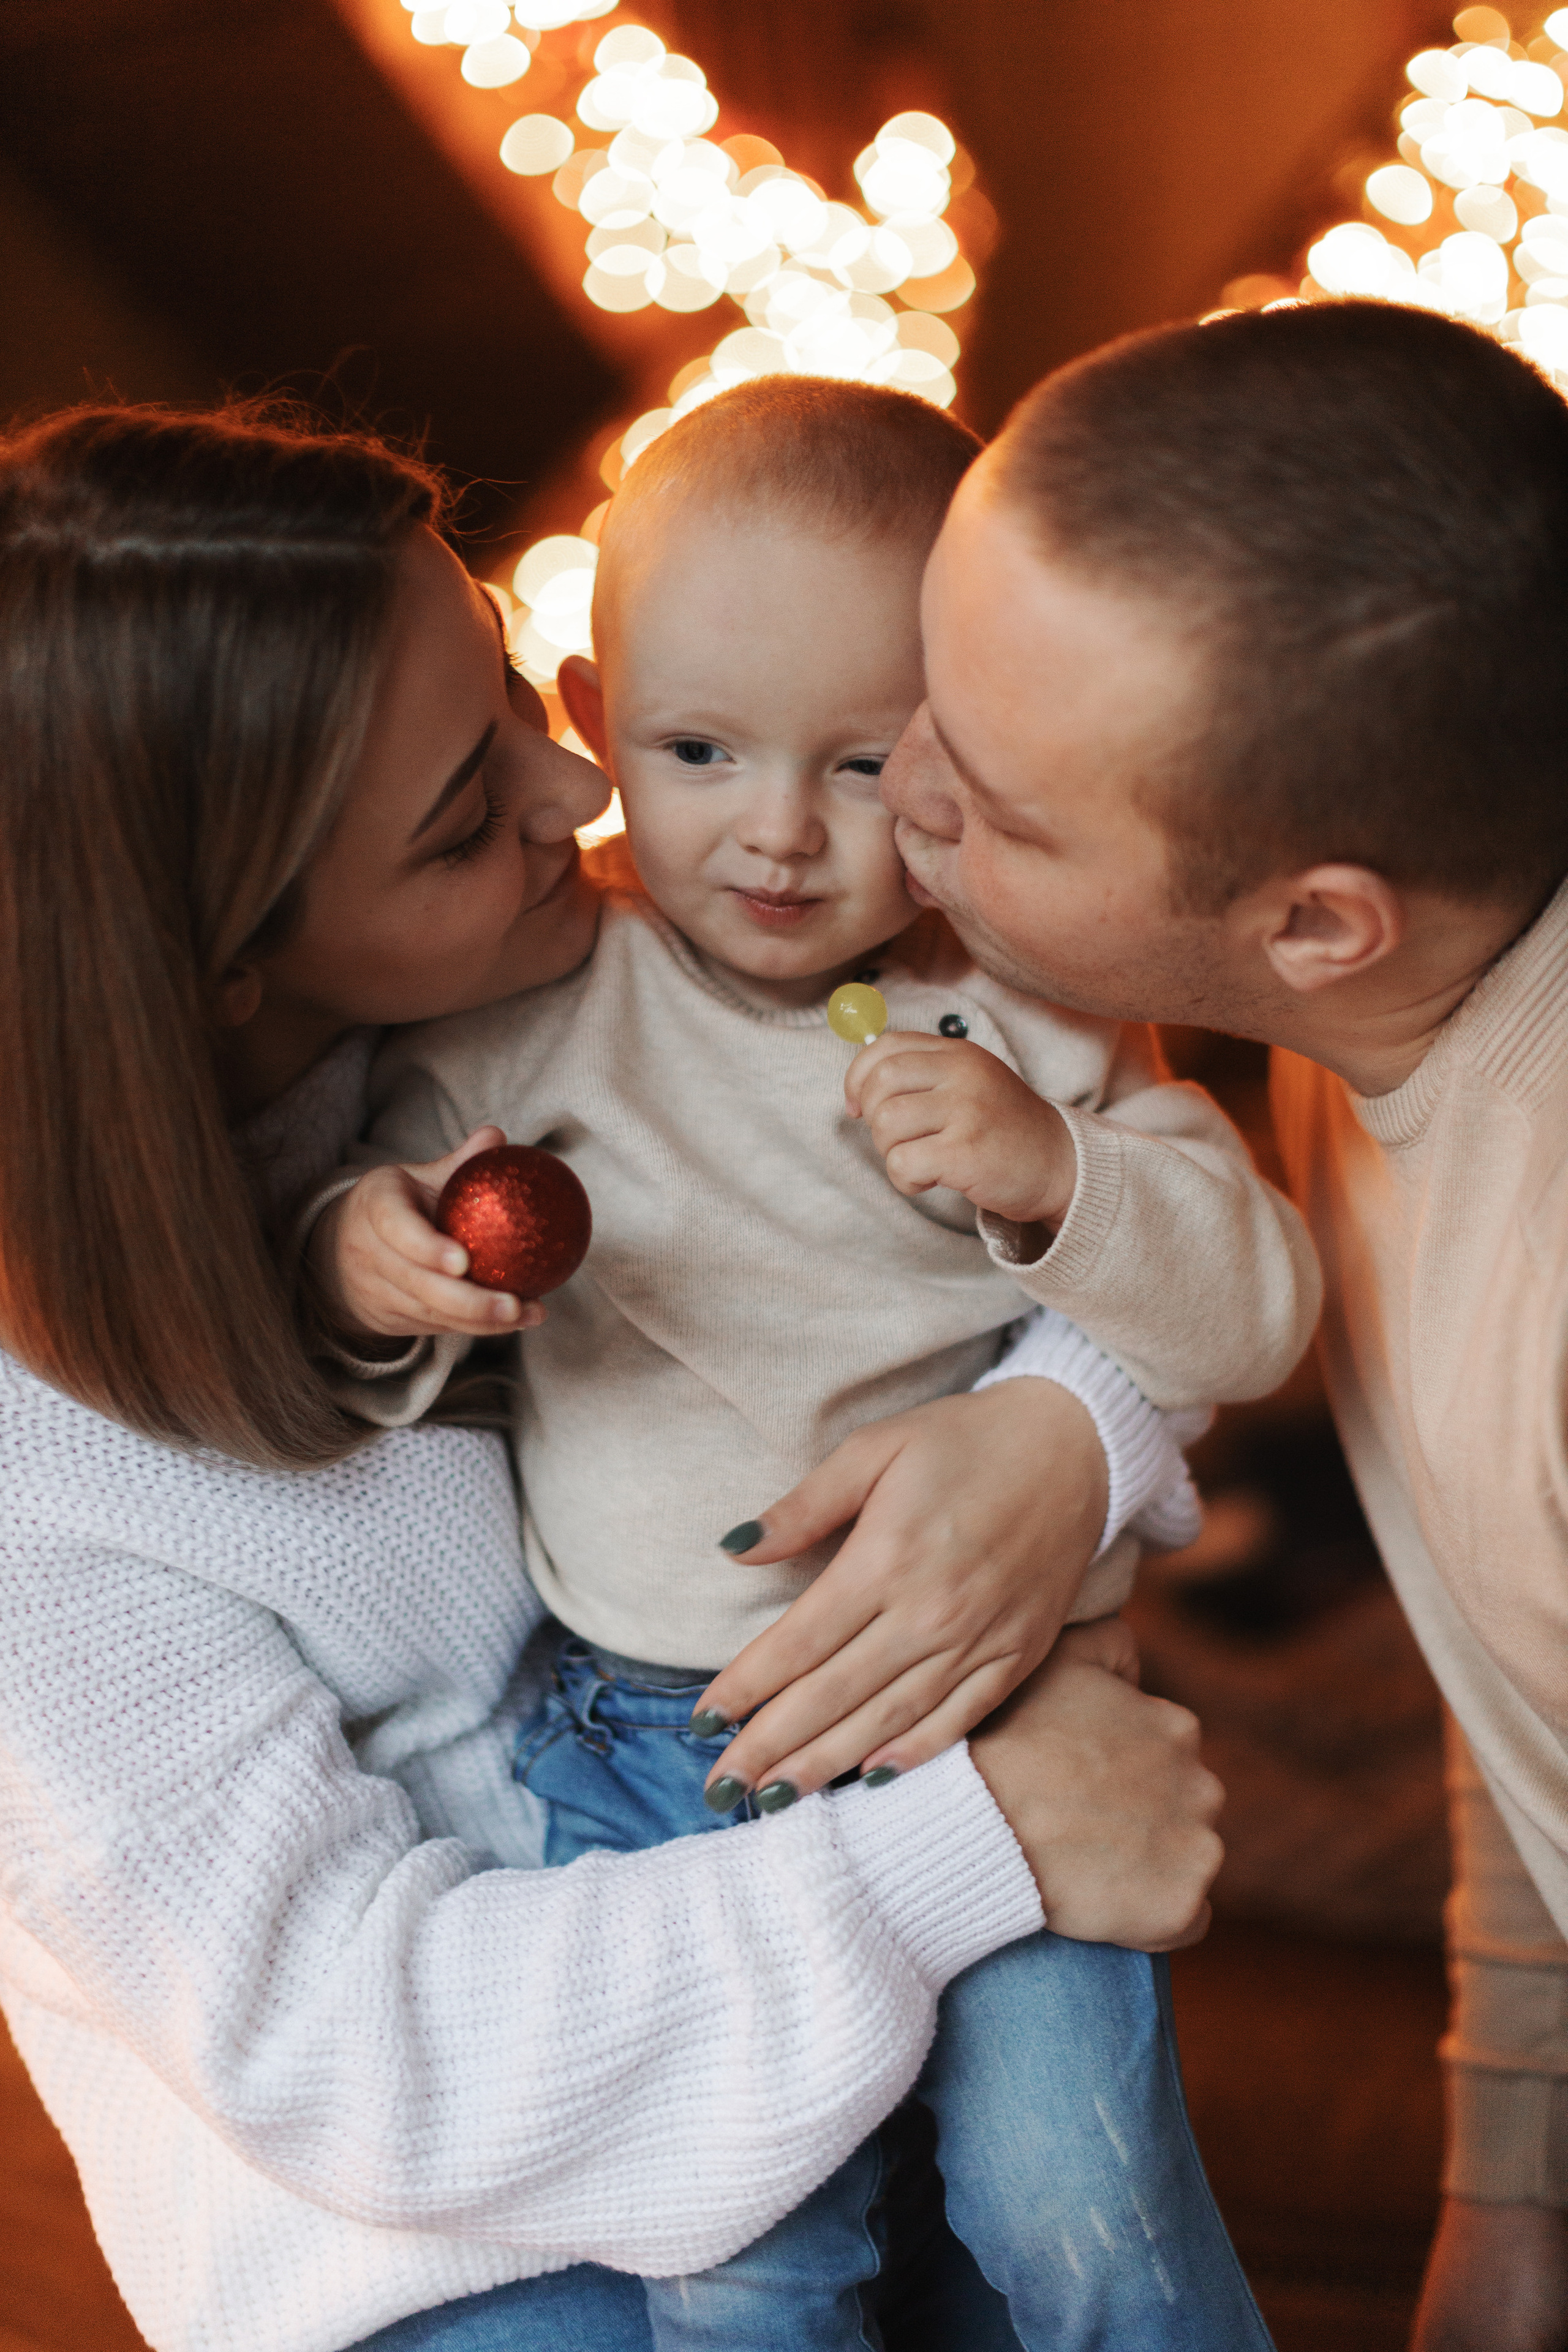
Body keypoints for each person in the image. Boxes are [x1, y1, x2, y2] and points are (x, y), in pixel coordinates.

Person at [0, 400, 1226, 2352]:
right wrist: (975, 1839)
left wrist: (1062, 1431)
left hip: (831, 1958)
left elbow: (1087, 1203)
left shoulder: (504, 998)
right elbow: (373, 2061)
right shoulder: (40, 1495)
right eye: (464, 815)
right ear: (225, 961)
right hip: (449, 2230)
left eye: (509, 686)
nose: (577, 786)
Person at [309, 379, 1315, 2347]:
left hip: (1002, 1720)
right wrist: (368, 1259)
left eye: (861, 768)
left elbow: (1256, 1311)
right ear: (593, 726)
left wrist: (1059, 1179)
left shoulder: (1026, 1001)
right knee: (747, 2269)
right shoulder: (524, 1003)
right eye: (699, 751)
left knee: (1080, 2207)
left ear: (954, 761)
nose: (776, 835)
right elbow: (345, 1281)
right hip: (652, 1756)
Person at [874, 298, 1568, 2352]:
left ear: (1315, 920)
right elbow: (1508, 1656)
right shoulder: (1358, 1037)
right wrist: (1515, 2195)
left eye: (1003, 808)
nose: (901, 793)